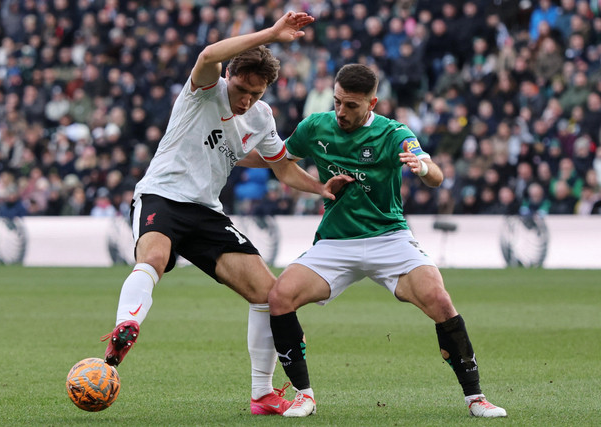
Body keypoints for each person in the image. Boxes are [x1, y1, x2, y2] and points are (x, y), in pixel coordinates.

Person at [100, 11, 352, 416]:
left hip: (206, 212)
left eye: (256, 93)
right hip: (162, 196)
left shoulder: (262, 117)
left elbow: (281, 164)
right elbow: (209, 53)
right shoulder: (204, 88)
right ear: (229, 76)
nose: (246, 99)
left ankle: (262, 394)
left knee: (268, 294)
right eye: (241, 88)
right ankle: (126, 326)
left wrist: (320, 188)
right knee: (154, 258)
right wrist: (272, 32)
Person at [267, 64, 507, 418]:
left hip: (389, 237)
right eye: (337, 102)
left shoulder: (394, 133)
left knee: (439, 300)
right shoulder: (314, 127)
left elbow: (435, 175)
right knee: (279, 297)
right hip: (336, 240)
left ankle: (476, 398)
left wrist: (423, 168)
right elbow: (281, 160)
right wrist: (239, 157)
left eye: (351, 105)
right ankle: (304, 395)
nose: (341, 112)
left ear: (372, 103)